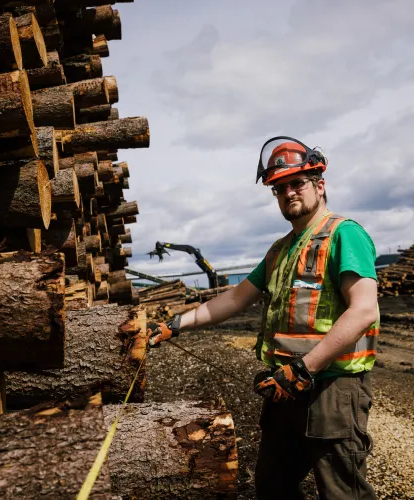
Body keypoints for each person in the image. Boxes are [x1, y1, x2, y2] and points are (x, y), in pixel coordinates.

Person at [147, 136, 379, 500]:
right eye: (279, 188)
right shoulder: (280, 249)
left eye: (297, 183)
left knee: (341, 492)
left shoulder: (343, 234)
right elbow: (237, 297)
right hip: (285, 387)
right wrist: (176, 324)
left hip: (332, 388)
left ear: (320, 184)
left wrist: (306, 369)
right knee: (273, 486)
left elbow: (364, 310)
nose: (288, 193)